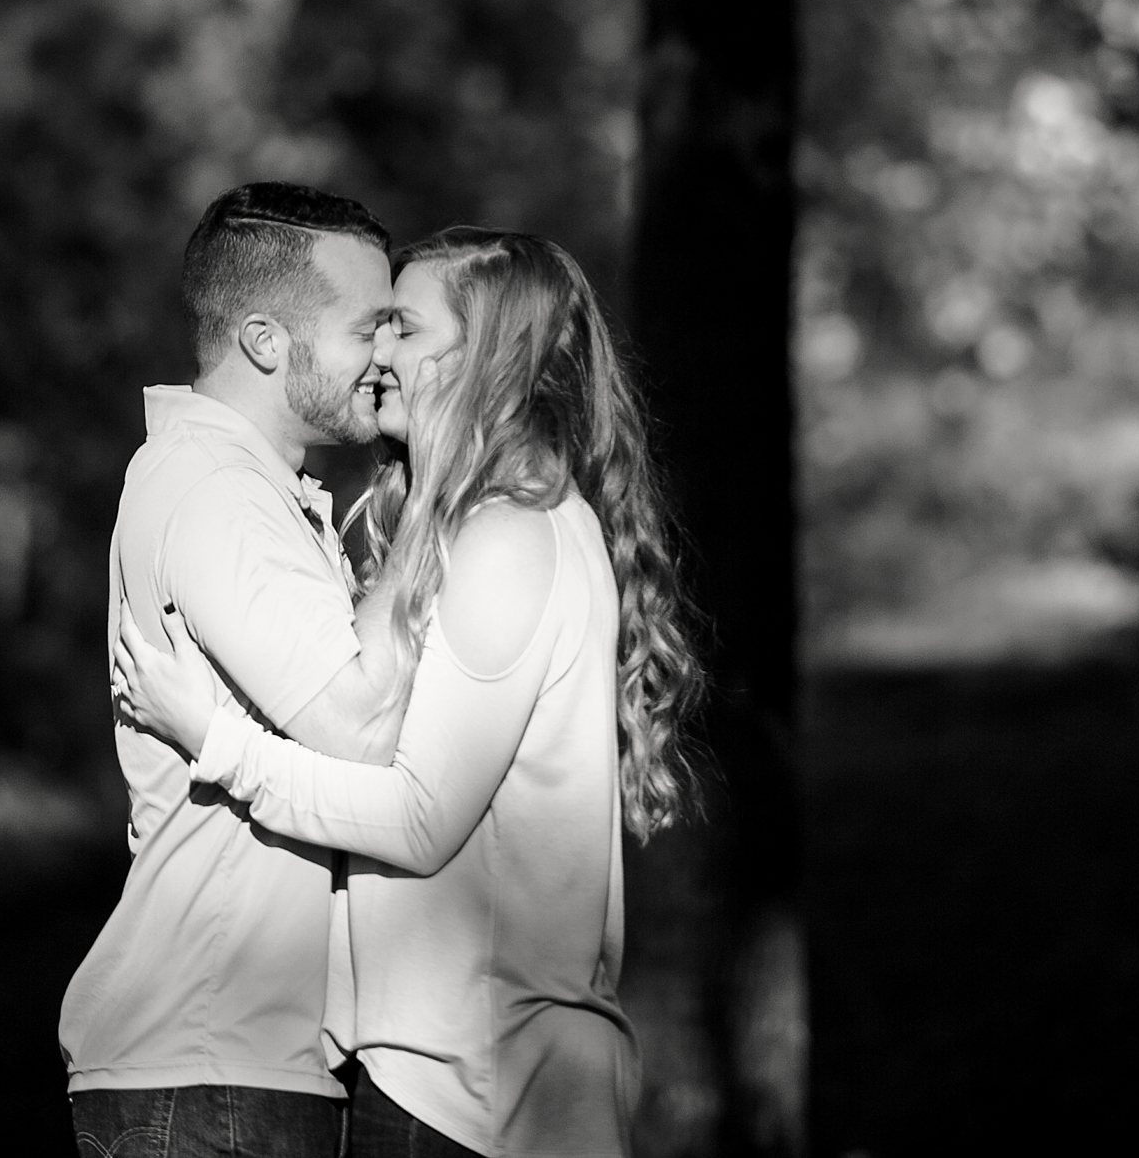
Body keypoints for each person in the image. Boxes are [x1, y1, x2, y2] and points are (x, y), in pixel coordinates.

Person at [113, 227, 708, 1158]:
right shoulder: (487, 524)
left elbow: (421, 820)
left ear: (483, 356)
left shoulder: (511, 534)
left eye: (402, 326)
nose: (379, 352)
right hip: (451, 1068)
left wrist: (218, 742)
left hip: (469, 1078)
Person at [60, 182, 414, 1158]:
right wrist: (436, 514)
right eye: (367, 328)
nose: (386, 359)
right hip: (216, 1061)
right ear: (265, 340)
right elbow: (365, 733)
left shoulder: (241, 484)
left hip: (229, 1062)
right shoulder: (221, 495)